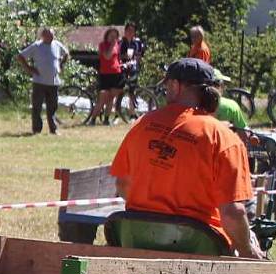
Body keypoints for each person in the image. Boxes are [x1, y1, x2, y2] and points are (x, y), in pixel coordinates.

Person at [110, 58, 262, 259]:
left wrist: (156, 214)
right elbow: (233, 214)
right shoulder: (223, 138)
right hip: (200, 246)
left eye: (166, 85)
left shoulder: (142, 125)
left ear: (175, 86)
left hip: (137, 239)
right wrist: (248, 252)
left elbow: (122, 184)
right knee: (250, 240)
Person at [16, 27, 69, 135]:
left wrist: (61, 64)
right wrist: (28, 68)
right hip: (39, 81)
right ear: (42, 36)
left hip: (53, 81)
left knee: (52, 107)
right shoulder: (36, 46)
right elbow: (20, 56)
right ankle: (36, 129)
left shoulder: (57, 44)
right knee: (37, 106)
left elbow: (66, 54)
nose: (51, 37)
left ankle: (53, 129)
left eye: (52, 34)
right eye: (48, 35)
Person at [88, 27, 124, 126]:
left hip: (116, 73)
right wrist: (112, 45)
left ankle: (106, 119)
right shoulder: (103, 45)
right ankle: (93, 119)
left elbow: (117, 58)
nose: (113, 38)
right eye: (111, 35)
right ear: (107, 36)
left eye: (115, 36)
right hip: (105, 74)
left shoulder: (117, 45)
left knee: (111, 98)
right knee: (102, 98)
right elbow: (107, 56)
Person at [118, 22, 146, 119]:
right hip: (122, 68)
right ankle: (117, 112)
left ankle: (132, 113)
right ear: (125, 31)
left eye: (132, 31)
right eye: (128, 30)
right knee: (119, 90)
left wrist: (137, 58)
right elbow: (117, 56)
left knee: (132, 91)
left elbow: (140, 54)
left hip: (133, 68)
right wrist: (124, 56)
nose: (130, 32)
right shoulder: (121, 42)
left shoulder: (137, 42)